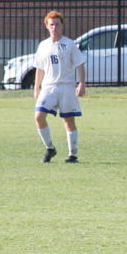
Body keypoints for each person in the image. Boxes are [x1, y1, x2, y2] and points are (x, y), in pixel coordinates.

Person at [33, 10, 86, 163]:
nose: (54, 27)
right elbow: (39, 68)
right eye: (51, 25)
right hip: (49, 87)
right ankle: (50, 148)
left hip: (67, 87)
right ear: (47, 27)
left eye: (57, 24)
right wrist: (36, 88)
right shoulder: (43, 46)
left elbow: (80, 64)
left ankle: (72, 155)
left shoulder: (69, 44)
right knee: (38, 116)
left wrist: (81, 84)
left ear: (62, 25)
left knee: (68, 120)